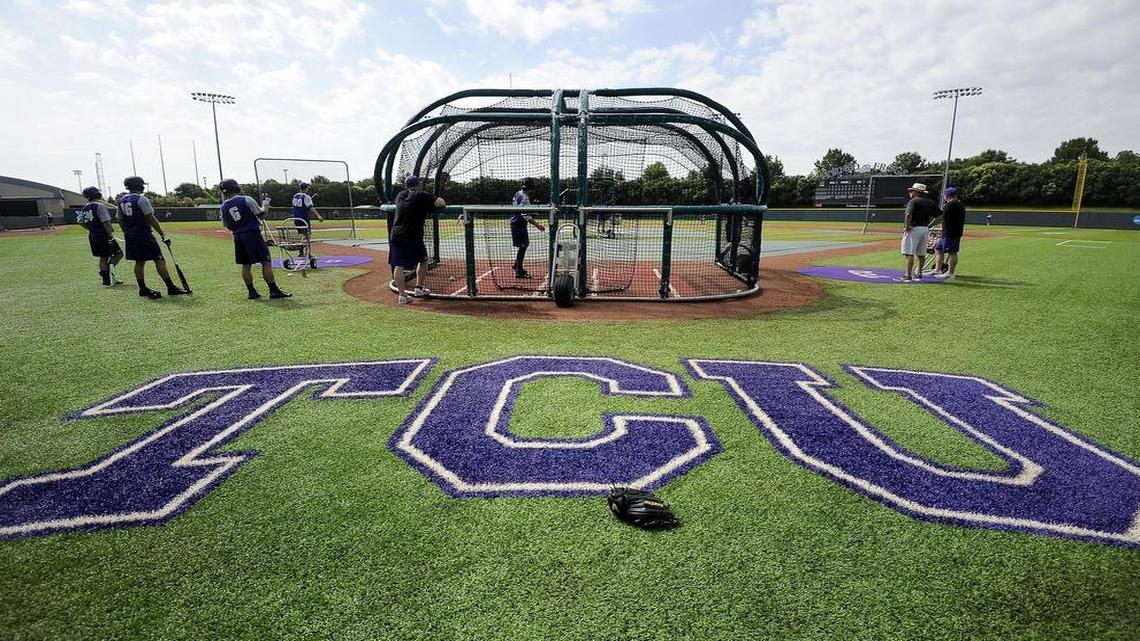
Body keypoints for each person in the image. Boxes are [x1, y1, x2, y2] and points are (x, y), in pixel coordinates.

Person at [116, 176, 188, 299]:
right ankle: (171, 287)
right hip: (144, 234)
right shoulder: (142, 199)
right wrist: (163, 234)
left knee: (139, 262)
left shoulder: (121, 200)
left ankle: (142, 288)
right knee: (159, 260)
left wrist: (126, 232)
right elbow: (151, 219)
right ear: (139, 186)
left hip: (131, 234)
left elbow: (119, 219)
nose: (143, 186)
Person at [219, 179, 291, 300]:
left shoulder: (224, 206)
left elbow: (227, 225)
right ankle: (273, 290)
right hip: (252, 234)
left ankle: (251, 291)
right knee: (265, 261)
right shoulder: (246, 199)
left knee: (246, 264)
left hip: (238, 236)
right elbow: (262, 215)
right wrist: (266, 204)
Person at [389, 176, 444, 304]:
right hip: (413, 235)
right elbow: (441, 203)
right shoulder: (421, 194)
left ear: (406, 185)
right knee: (423, 260)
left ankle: (402, 296)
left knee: (399, 265)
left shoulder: (400, 195)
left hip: (396, 234)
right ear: (418, 185)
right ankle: (419, 288)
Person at [77, 186, 123, 286]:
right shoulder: (100, 206)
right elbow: (106, 222)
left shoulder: (86, 207)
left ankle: (106, 277)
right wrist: (110, 235)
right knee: (119, 253)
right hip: (103, 235)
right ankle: (108, 274)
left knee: (103, 256)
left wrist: (91, 229)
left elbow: (80, 221)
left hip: (93, 235)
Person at [896, 182, 939, 281]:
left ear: (916, 192)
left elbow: (908, 215)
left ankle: (908, 275)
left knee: (909, 252)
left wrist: (907, 227)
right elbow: (940, 216)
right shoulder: (930, 202)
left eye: (912, 191)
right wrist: (930, 225)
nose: (910, 193)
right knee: (921, 253)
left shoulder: (913, 201)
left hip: (914, 228)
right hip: (924, 229)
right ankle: (919, 273)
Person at [510, 177, 545, 279]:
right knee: (523, 245)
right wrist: (537, 225)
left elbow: (525, 210)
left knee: (523, 245)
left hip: (518, 223)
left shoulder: (518, 193)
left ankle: (517, 265)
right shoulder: (524, 197)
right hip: (518, 223)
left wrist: (533, 212)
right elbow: (524, 214)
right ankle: (519, 271)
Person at [931, 187, 966, 280]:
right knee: (938, 249)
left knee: (952, 252)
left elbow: (941, 218)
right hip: (951, 232)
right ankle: (937, 269)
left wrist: (930, 225)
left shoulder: (949, 205)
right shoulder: (960, 204)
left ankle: (950, 273)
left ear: (946, 196)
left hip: (951, 233)